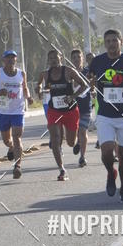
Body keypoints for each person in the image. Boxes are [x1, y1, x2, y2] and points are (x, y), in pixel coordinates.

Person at [89, 29, 123, 203]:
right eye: (108, 41)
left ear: (121, 41)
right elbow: (90, 84)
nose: (111, 44)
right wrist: (91, 84)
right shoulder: (98, 62)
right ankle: (110, 174)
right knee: (106, 152)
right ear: (105, 43)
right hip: (105, 114)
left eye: (114, 40)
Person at [37, 48, 88, 181]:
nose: (53, 60)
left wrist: (73, 96)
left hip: (70, 111)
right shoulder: (45, 74)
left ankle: (72, 138)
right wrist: (39, 91)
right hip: (54, 110)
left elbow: (85, 85)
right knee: (55, 139)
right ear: (48, 61)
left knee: (71, 143)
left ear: (61, 58)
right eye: (51, 58)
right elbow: (39, 85)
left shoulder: (69, 71)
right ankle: (61, 169)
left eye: (56, 57)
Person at [0, 49, 32, 179]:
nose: (11, 60)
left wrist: (28, 97)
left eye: (13, 58)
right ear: (3, 60)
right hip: (4, 111)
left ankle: (17, 166)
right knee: (7, 140)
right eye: (8, 58)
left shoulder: (22, 73)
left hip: (18, 111)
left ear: (16, 60)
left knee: (17, 137)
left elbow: (25, 88)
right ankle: (10, 147)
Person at [70, 48, 94, 167]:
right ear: (71, 60)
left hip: (85, 107)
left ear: (82, 59)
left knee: (83, 131)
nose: (76, 59)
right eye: (74, 58)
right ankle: (77, 142)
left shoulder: (88, 71)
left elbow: (92, 85)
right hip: (71, 107)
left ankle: (82, 157)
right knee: (74, 132)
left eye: (78, 57)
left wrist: (92, 87)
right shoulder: (68, 73)